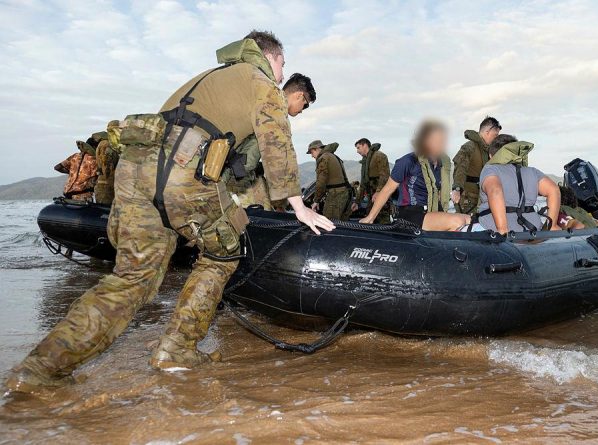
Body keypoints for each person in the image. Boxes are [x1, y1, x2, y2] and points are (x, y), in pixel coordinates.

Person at [4, 31, 334, 394]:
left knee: (132, 277)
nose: (283, 73)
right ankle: (177, 349)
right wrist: (298, 205)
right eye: (282, 64)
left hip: (136, 173)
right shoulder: (261, 82)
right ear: (270, 57)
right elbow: (276, 142)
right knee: (223, 254)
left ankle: (39, 370)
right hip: (184, 172)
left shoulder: (208, 78)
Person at [226, 73, 316, 209]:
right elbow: (279, 157)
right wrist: (299, 207)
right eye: (305, 104)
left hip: (238, 173)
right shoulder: (274, 108)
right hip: (235, 178)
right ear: (299, 95)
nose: (302, 110)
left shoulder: (264, 99)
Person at [360, 120, 470, 231]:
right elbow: (387, 190)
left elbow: (438, 193)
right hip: (411, 213)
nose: (440, 143)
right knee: (458, 221)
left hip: (432, 212)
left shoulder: (441, 164)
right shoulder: (408, 161)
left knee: (469, 219)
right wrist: (370, 217)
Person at [476, 134, 561, 234]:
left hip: (495, 229)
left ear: (491, 155)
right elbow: (554, 190)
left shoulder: (490, 169)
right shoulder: (532, 171)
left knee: (458, 221)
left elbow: (495, 191)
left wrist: (502, 229)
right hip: (532, 229)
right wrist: (553, 225)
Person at [452, 116, 501, 215]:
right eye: (495, 136)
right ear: (487, 132)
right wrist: (457, 189)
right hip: (468, 199)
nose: (496, 139)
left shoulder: (490, 151)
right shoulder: (469, 147)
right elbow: (460, 168)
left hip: (483, 198)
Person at [308, 140, 352, 220]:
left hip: (336, 195)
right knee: (341, 224)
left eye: (311, 152)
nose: (312, 156)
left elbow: (321, 182)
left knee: (329, 222)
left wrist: (316, 201)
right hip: (344, 193)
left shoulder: (323, 158)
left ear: (317, 149)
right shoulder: (332, 156)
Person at [352, 138, 391, 223]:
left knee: (383, 220)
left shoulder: (379, 156)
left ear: (365, 145)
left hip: (381, 196)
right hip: (371, 197)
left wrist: (378, 192)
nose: (357, 151)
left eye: (358, 148)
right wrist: (357, 202)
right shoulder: (365, 162)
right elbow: (363, 184)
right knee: (370, 220)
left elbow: (384, 176)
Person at [55, 137, 99, 201]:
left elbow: (57, 167)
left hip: (67, 194)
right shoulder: (95, 160)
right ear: (95, 147)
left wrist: (73, 172)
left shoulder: (75, 156)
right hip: (82, 196)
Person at [94, 125, 119, 205]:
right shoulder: (107, 144)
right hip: (106, 185)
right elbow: (107, 166)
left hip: (104, 184)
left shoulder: (103, 144)